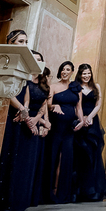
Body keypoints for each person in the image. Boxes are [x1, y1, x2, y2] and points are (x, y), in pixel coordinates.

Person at [0, 49, 50, 211]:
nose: (37, 62)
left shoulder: (44, 82)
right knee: (18, 161)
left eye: (39, 59)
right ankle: (13, 198)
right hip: (21, 120)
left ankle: (26, 198)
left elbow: (44, 104)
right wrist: (28, 119)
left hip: (33, 121)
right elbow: (25, 102)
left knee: (29, 164)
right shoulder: (23, 79)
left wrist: (38, 119)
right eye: (34, 59)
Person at [73, 63, 106, 202]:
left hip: (92, 121)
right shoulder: (76, 87)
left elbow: (98, 104)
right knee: (81, 155)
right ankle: (79, 191)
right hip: (79, 120)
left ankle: (94, 191)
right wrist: (81, 119)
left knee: (93, 154)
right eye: (84, 73)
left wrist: (89, 117)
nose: (86, 75)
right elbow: (76, 105)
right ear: (80, 74)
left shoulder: (96, 86)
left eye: (88, 73)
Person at [45, 60, 79, 203]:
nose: (65, 72)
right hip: (56, 127)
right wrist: (55, 106)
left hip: (69, 129)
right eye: (63, 69)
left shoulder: (75, 88)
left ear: (72, 72)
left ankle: (62, 193)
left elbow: (78, 107)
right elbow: (47, 104)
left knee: (66, 158)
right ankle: (49, 192)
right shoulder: (53, 86)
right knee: (53, 156)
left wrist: (81, 121)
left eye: (68, 70)